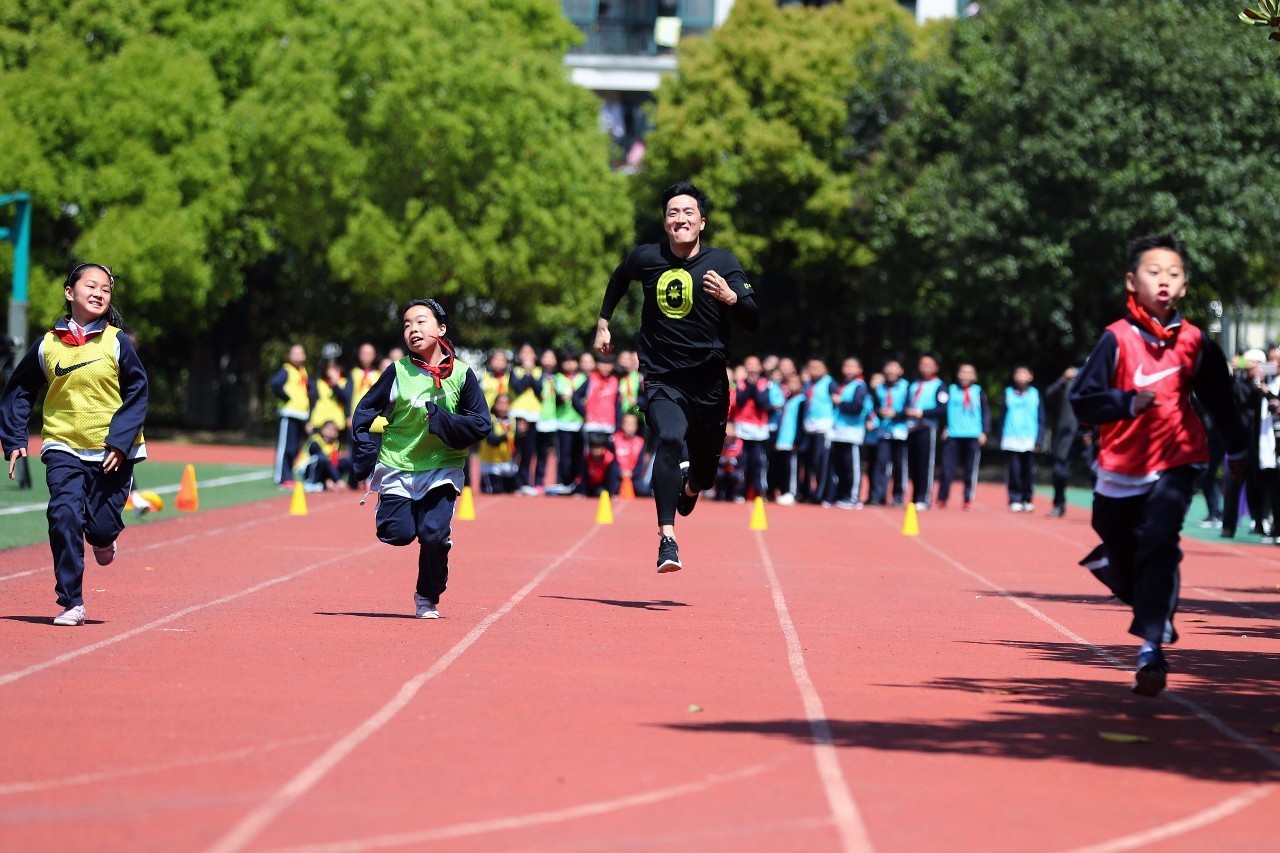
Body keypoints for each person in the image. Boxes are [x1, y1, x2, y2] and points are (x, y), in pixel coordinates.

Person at [1070, 234, 1247, 696]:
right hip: (1121, 463)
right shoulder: (1116, 338)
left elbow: (1221, 402)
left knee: (1160, 542)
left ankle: (1152, 646)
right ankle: (1125, 576)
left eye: (1173, 274)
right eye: (1154, 272)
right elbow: (1082, 401)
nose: (1163, 280)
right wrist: (1126, 403)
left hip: (1178, 457)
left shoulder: (1195, 343)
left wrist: (1239, 449)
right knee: (1123, 551)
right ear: (1132, 281)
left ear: (1185, 285)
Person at [594, 180, 759, 571]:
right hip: (662, 376)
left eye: (688, 212)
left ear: (702, 222)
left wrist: (732, 298)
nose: (680, 218)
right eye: (672, 213)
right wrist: (603, 323)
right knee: (668, 438)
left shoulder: (723, 264)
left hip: (710, 384)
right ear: (665, 223)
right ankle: (667, 539)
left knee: (705, 472)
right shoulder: (647, 258)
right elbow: (618, 279)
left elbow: (754, 319)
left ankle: (691, 486)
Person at [1, 263, 148, 626]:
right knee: (63, 513)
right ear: (70, 292)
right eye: (91, 286)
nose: (99, 293)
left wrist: (119, 441)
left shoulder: (117, 342)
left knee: (99, 527)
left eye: (106, 289)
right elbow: (20, 390)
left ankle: (104, 538)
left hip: (112, 451)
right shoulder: (48, 344)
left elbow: (138, 391)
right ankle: (72, 602)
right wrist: (15, 436)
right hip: (62, 444)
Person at [351, 298, 491, 619]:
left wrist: (444, 422)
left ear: (441, 329)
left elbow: (482, 422)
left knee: (432, 535)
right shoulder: (398, 371)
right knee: (396, 534)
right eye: (406, 324)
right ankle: (409, 520)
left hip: (443, 467)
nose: (413, 329)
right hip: (398, 464)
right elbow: (364, 410)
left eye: (420, 321)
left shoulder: (463, 374)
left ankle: (427, 596)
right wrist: (363, 454)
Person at [936, 363, 989, 510]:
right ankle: (942, 498)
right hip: (953, 435)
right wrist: (944, 428)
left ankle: (967, 498)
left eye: (969, 373)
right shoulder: (950, 390)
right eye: (962, 372)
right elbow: (942, 411)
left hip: (973, 435)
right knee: (947, 469)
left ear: (974, 376)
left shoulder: (978, 392)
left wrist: (985, 432)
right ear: (958, 374)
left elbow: (985, 413)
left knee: (970, 470)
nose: (965, 375)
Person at [823, 357, 870, 508]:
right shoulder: (843, 385)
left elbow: (857, 407)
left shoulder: (860, 386)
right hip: (839, 431)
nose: (849, 370)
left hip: (852, 432)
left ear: (859, 370)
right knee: (840, 466)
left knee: (852, 467)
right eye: (846, 366)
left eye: (852, 367)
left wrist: (840, 402)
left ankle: (853, 497)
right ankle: (841, 494)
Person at [905, 353, 947, 510]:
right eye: (922, 364)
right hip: (911, 428)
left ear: (936, 367)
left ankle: (924, 497)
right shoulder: (914, 385)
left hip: (927, 428)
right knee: (913, 464)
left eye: (929, 364)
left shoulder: (939, 386)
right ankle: (915, 497)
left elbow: (942, 409)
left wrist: (922, 413)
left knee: (925, 464)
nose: (925, 367)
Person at [1000, 366, 1043, 511]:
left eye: (1024, 374)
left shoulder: (1035, 394)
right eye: (1018, 374)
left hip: (1030, 438)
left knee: (1028, 472)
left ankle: (1027, 498)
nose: (1021, 377)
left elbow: (1041, 418)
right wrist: (1000, 436)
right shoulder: (1008, 393)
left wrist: (1040, 439)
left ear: (1031, 376)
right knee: (1014, 471)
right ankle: (1014, 498)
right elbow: (1002, 416)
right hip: (1011, 438)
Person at [269, 343, 311, 486]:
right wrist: (286, 398)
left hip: (301, 415)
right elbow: (274, 384)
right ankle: (281, 477)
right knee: (285, 447)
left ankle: (289, 475)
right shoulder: (286, 370)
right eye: (295, 353)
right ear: (289, 355)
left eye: (300, 353)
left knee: (295, 448)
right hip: (289, 414)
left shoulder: (303, 371)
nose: (298, 356)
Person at [731, 355, 772, 501]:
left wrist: (755, 386)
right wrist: (749, 384)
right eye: (749, 364)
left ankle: (758, 491)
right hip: (742, 429)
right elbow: (740, 401)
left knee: (758, 461)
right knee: (742, 461)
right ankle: (740, 491)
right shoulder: (739, 384)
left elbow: (763, 403)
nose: (752, 367)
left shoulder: (765, 384)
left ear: (760, 368)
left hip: (758, 430)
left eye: (755, 364)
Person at [870, 360, 909, 506]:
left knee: (900, 465)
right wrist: (880, 413)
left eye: (895, 368)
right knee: (880, 464)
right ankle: (878, 496)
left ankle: (898, 496)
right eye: (888, 368)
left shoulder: (907, 387)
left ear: (900, 370)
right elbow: (874, 407)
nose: (891, 371)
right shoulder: (879, 388)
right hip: (884, 432)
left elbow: (910, 407)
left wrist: (896, 414)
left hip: (901, 432)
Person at [508, 343, 544, 493]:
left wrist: (530, 373)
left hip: (533, 415)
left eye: (531, 353)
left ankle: (525, 481)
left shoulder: (539, 372)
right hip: (518, 414)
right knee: (515, 449)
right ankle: (513, 481)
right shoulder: (515, 371)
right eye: (524, 353)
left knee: (529, 450)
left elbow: (538, 388)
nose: (527, 356)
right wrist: (527, 373)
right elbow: (519, 387)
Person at [800, 357, 835, 503]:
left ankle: (824, 494)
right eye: (811, 367)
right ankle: (810, 492)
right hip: (809, 427)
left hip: (823, 427)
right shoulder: (808, 384)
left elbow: (837, 401)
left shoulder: (830, 383)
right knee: (811, 462)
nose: (814, 370)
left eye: (817, 367)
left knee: (822, 462)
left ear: (824, 369)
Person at [553, 350, 586, 493]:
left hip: (579, 421)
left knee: (577, 453)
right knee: (563, 453)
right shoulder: (558, 378)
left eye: (573, 361)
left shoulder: (583, 378)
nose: (570, 364)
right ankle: (562, 480)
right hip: (563, 421)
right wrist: (561, 399)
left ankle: (575, 480)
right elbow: (554, 398)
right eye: (566, 361)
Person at [297, 420, 354, 492]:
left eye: (333, 430)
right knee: (321, 458)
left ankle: (351, 484)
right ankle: (311, 483)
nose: (330, 432)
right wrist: (338, 479)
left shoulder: (335, 443)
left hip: (325, 470)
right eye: (328, 429)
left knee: (346, 460)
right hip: (308, 469)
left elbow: (333, 463)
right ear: (322, 430)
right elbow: (323, 461)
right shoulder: (315, 441)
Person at [614, 411, 651, 496]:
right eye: (627, 423)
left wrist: (632, 473)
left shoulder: (640, 442)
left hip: (633, 476)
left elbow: (640, 463)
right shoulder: (615, 439)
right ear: (622, 424)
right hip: (618, 475)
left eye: (632, 424)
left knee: (644, 490)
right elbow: (613, 460)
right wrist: (620, 472)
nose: (629, 426)